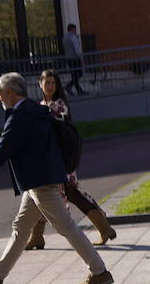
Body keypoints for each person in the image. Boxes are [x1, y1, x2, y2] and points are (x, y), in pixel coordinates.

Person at [0, 72, 113, 284]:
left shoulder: (19, 116)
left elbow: (1, 151)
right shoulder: (34, 109)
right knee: (21, 228)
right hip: (41, 179)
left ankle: (99, 272)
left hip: (41, 182)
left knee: (66, 227)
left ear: (10, 93)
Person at [24, 69, 116, 249]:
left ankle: (104, 228)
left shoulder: (57, 105)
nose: (50, 86)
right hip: (48, 162)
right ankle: (37, 237)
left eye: (53, 83)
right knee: (46, 197)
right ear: (39, 84)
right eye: (47, 82)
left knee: (66, 194)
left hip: (60, 161)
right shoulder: (42, 105)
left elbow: (48, 126)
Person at [61, 25, 84, 95]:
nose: (75, 31)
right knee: (79, 73)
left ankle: (79, 90)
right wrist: (81, 57)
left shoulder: (64, 38)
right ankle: (69, 86)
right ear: (72, 29)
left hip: (68, 58)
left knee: (73, 74)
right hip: (75, 58)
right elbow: (77, 49)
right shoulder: (73, 37)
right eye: (74, 29)